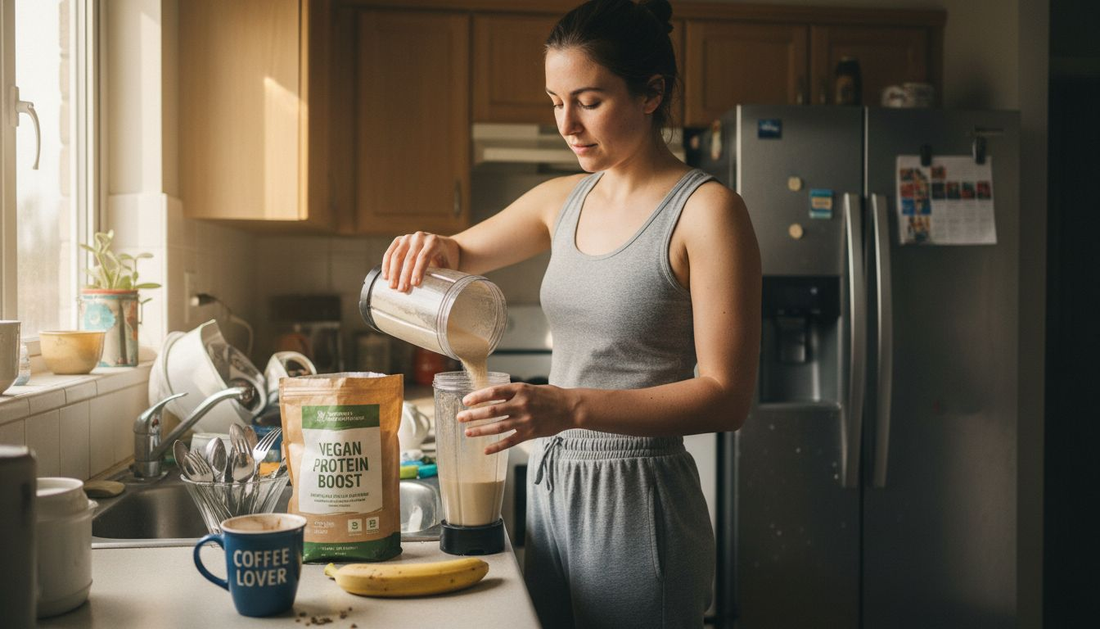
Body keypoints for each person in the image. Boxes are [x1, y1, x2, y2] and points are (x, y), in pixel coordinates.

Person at [381, 0, 760, 626]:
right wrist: (432, 245)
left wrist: (568, 405)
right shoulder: (561, 200)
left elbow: (727, 397)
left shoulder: (707, 213)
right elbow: (457, 252)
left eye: (588, 100)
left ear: (651, 94)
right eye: (556, 102)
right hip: (557, 488)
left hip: (641, 501)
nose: (567, 124)